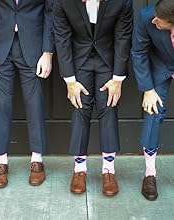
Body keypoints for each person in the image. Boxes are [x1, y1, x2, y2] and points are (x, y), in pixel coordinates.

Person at [53, 0, 133, 195]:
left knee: (108, 106)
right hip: (79, 59)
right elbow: (61, 38)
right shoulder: (62, 2)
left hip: (108, 59)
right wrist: (70, 80)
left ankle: (109, 170)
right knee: (80, 108)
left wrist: (118, 78)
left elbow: (123, 37)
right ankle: (79, 169)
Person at [0, 0, 54, 188]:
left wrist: (48, 52)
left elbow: (50, 12)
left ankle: (37, 159)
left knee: (34, 102)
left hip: (33, 46)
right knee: (0, 104)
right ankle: (1, 161)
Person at [131, 0, 174, 201]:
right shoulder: (148, 16)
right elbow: (138, 52)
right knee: (153, 112)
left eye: (161, 20)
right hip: (161, 67)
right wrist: (148, 89)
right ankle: (150, 173)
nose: (154, 20)